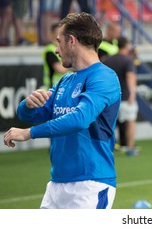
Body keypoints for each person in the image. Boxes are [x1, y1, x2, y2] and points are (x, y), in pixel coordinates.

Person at [3, 12, 121, 209]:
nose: (56, 49)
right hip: (56, 185)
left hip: (90, 185)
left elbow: (80, 119)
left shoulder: (104, 77)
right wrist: (28, 104)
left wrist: (29, 133)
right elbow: (30, 115)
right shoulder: (66, 80)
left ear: (72, 41)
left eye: (59, 42)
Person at [104, 36, 139, 157]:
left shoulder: (109, 60)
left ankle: (105, 149)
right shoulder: (127, 60)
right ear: (126, 45)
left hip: (111, 98)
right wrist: (132, 94)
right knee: (130, 122)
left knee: (109, 125)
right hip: (125, 97)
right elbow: (130, 77)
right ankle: (130, 148)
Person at [42, 23, 69, 90]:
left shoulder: (66, 48)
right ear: (52, 33)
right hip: (53, 88)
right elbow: (59, 69)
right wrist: (74, 66)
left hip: (64, 87)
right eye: (57, 32)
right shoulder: (50, 50)